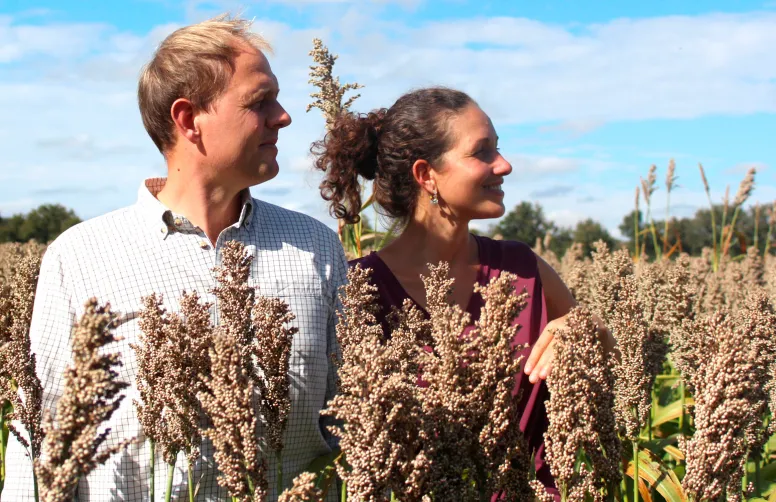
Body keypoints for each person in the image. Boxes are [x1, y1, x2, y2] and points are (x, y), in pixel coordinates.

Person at [6, 14, 346, 501]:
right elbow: (37, 435)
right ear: (188, 120)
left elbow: (350, 420)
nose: (283, 116)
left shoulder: (315, 246)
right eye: (259, 101)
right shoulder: (80, 256)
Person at [312, 86, 616, 497]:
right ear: (426, 175)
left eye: (499, 150)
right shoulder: (358, 290)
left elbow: (615, 372)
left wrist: (584, 326)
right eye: (482, 152)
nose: (504, 165)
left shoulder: (522, 268)